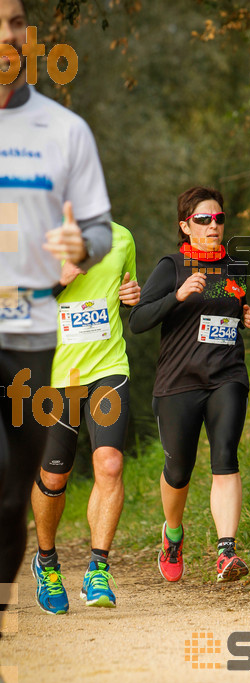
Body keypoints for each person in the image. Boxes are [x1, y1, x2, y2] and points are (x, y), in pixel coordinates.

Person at [0, 0, 112, 683]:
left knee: (13, 497)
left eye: (13, 20)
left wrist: (82, 245)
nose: (4, 34)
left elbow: (98, 228)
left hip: (35, 337)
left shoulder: (63, 130)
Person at [129, 186, 250, 583]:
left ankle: (226, 552)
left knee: (225, 458)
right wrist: (177, 296)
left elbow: (230, 309)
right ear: (185, 226)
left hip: (227, 376)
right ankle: (173, 534)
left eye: (218, 218)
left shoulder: (234, 265)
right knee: (179, 471)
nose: (213, 225)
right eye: (203, 219)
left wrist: (247, 315)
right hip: (179, 382)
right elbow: (137, 320)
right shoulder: (172, 265)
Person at [30, 222, 140, 614]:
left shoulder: (122, 238)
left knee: (109, 463)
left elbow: (127, 295)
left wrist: (132, 297)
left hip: (108, 367)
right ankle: (46, 563)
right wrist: (56, 281)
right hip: (56, 375)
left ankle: (98, 568)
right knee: (54, 476)